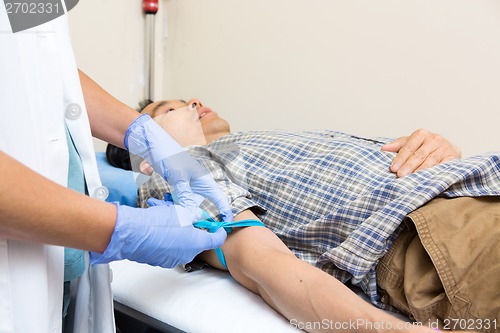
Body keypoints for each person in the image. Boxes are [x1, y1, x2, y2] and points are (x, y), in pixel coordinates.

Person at [107, 99, 500, 332]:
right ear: (145, 156)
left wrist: (438, 147)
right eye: (170, 107)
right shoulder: (172, 178)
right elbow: (262, 266)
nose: (194, 101)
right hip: (436, 235)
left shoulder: (260, 143)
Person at [0, 10, 233, 333]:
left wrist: (146, 134)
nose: (194, 104)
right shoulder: (153, 182)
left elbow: (42, 64)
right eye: (168, 110)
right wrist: (121, 230)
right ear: (145, 167)